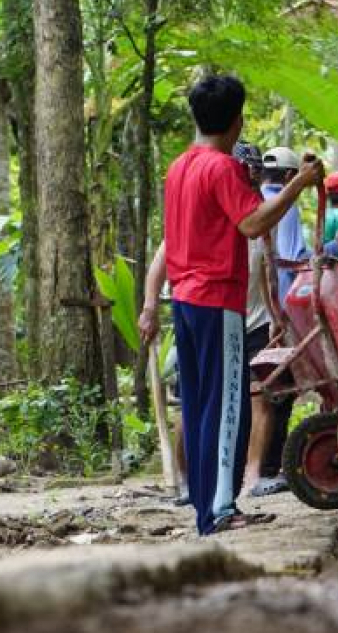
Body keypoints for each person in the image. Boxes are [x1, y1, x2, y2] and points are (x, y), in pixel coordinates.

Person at [138, 75, 323, 535]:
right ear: (237, 122)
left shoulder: (179, 166)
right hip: (217, 299)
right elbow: (252, 221)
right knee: (226, 407)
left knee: (201, 404)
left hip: (184, 300)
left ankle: (207, 505)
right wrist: (299, 183)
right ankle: (219, 509)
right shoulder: (220, 168)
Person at [244, 146, 313, 498]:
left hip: (249, 309)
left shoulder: (253, 200)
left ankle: (258, 466)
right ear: (290, 177)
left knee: (255, 391)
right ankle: (269, 466)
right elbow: (289, 260)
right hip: (278, 311)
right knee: (275, 392)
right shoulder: (285, 204)